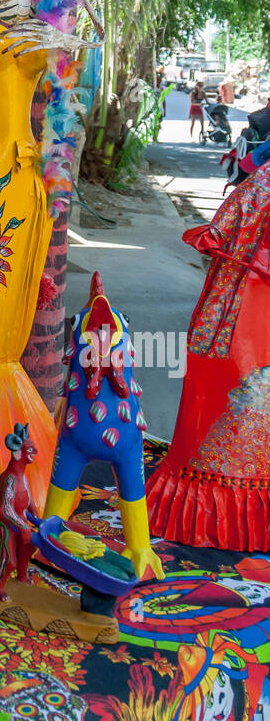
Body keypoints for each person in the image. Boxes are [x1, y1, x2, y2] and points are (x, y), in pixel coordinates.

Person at [147, 162, 270, 551]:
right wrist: (218, 231)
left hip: (250, 291)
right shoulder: (265, 178)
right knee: (231, 378)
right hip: (245, 291)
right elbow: (244, 204)